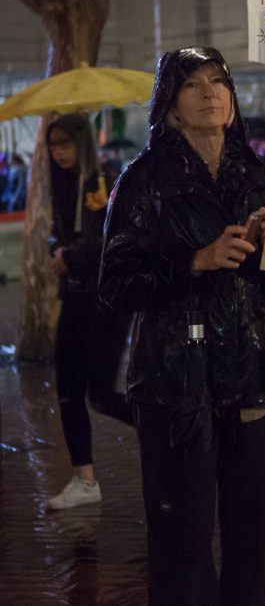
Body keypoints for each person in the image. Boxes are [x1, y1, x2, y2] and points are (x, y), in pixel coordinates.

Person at [99, 46, 265, 606]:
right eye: (192, 84)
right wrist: (194, 261)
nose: (209, 92)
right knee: (182, 549)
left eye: (218, 81)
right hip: (178, 389)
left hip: (256, 384)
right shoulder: (143, 180)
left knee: (253, 547)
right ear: (169, 104)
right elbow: (117, 282)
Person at [44, 113, 134, 510]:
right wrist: (57, 249)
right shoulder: (61, 184)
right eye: (53, 145)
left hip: (107, 302)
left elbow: (115, 243)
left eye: (64, 144)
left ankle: (174, 438)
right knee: (67, 390)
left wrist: (72, 254)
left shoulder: (107, 179)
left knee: (100, 395)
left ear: (81, 144)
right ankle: (85, 480)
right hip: (74, 297)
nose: (58, 152)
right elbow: (56, 234)